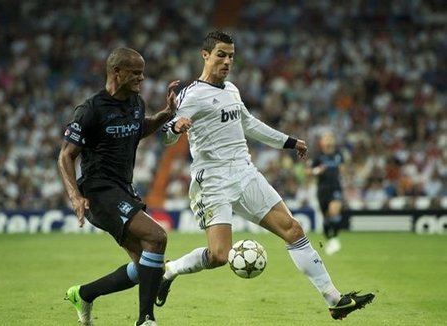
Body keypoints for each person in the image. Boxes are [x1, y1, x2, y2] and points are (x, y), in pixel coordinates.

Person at [156, 30, 374, 320]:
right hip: (213, 181)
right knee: (220, 256)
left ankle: (334, 300)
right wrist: (174, 128)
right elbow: (163, 138)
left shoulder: (232, 89)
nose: (227, 61)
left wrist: (289, 141)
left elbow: (250, 124)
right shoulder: (191, 95)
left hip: (245, 173)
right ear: (205, 55)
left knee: (293, 229)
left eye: (231, 56)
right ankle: (170, 271)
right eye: (221, 54)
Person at [57, 47, 179, 326]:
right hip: (98, 192)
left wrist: (167, 114)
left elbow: (140, 129)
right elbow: (65, 155)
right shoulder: (91, 109)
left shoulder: (136, 102)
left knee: (146, 267)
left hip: (123, 189)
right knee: (158, 237)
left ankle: (84, 294)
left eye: (142, 72)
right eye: (136, 72)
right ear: (117, 72)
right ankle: (146, 320)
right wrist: (75, 195)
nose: (142, 77)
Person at [308, 132, 346, 255]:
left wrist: (344, 172)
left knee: (334, 210)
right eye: (326, 138)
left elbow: (343, 168)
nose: (329, 140)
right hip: (322, 189)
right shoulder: (317, 156)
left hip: (335, 187)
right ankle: (329, 239)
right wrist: (317, 170)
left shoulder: (339, 155)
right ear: (322, 142)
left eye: (331, 138)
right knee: (325, 216)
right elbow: (308, 171)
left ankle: (334, 238)